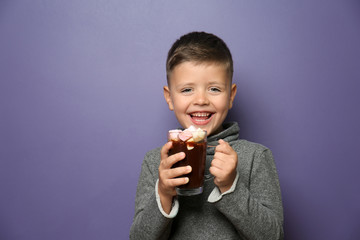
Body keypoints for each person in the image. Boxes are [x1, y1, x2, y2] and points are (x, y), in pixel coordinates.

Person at [130, 31, 283, 239]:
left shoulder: (255, 157)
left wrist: (231, 187)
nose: (201, 100)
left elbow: (273, 236)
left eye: (214, 89)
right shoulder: (156, 162)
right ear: (169, 98)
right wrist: (164, 193)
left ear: (231, 95)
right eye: (186, 90)